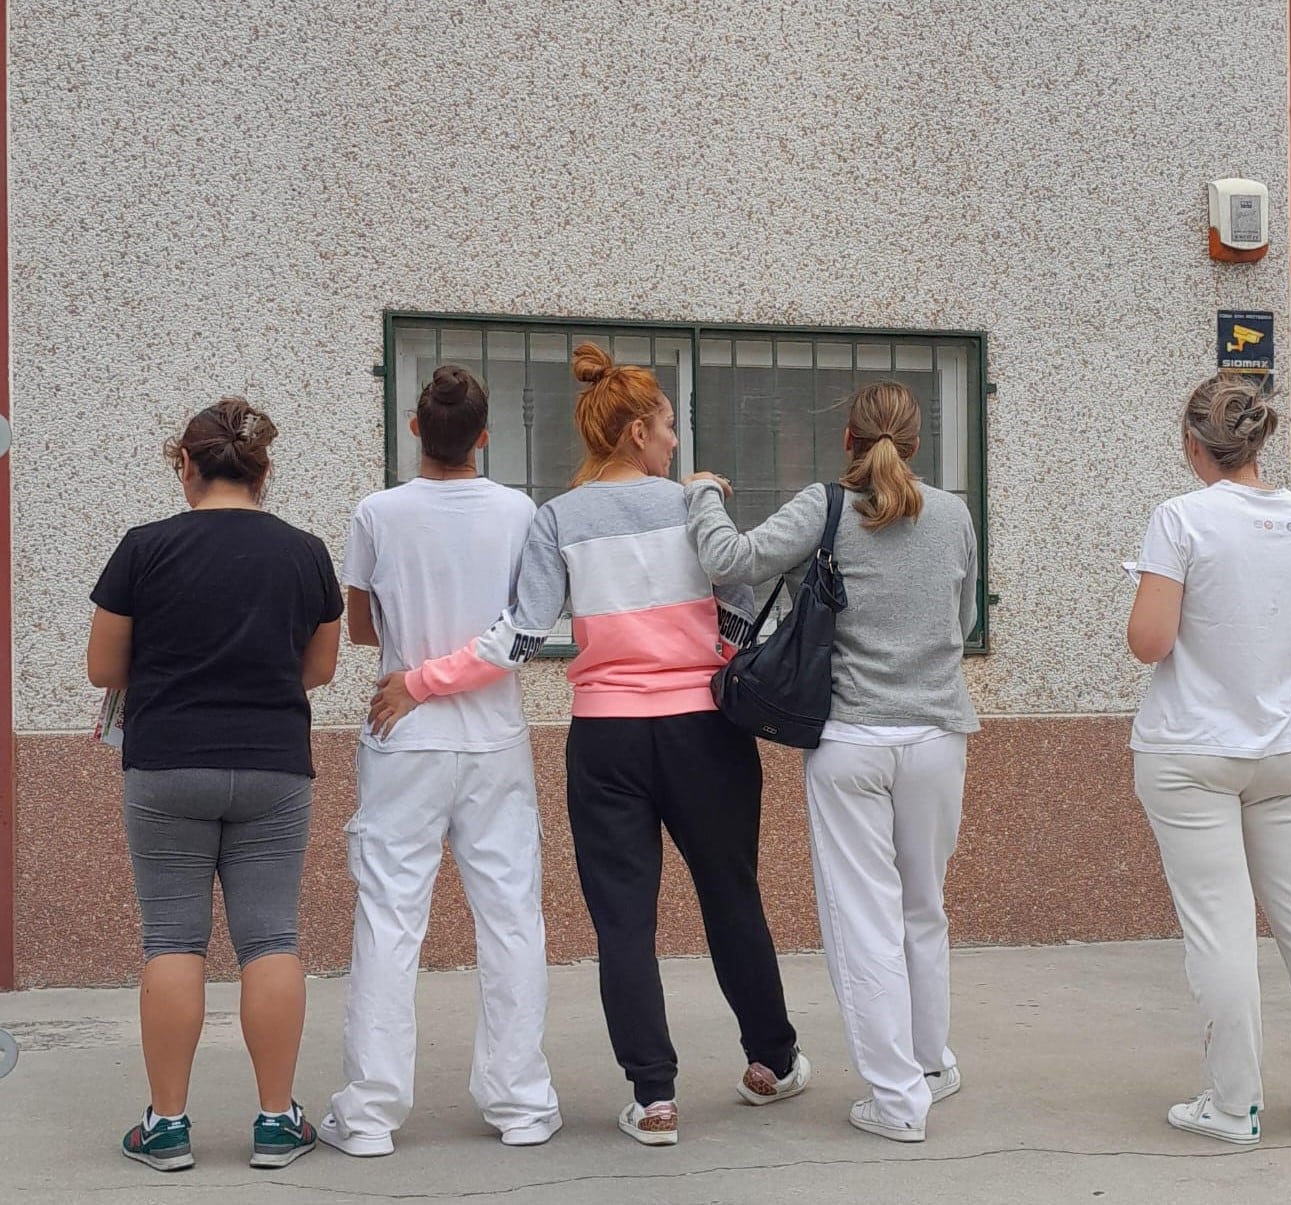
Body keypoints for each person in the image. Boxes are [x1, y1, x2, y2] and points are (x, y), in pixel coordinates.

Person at [368, 343, 809, 1146]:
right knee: (730, 892)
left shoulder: (556, 519)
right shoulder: (692, 506)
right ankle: (771, 1060)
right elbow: (746, 618)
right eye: (669, 426)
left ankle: (653, 1097)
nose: (676, 441)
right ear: (638, 430)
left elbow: (521, 637)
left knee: (622, 920)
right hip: (703, 735)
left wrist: (419, 680)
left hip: (604, 739)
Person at [682, 380, 980, 1144]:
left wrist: (703, 493)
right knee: (924, 907)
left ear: (847, 440)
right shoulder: (953, 513)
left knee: (863, 919)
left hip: (849, 739)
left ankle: (895, 1100)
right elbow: (964, 617)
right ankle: (928, 1063)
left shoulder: (827, 506)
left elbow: (727, 556)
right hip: (937, 735)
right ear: (917, 444)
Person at [87, 398, 342, 1171]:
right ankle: (274, 1121)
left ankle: (166, 1127)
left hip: (167, 764)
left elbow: (104, 668)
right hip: (271, 763)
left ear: (186, 464)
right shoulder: (305, 552)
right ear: (264, 470)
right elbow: (320, 669)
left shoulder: (144, 548)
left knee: (171, 937)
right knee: (270, 937)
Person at [1126, 374, 1291, 1146]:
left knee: (1220, 927)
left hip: (1191, 747)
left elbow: (1150, 642)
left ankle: (1232, 1106)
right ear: (1257, 438)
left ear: (1192, 444)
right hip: (1285, 744)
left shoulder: (1180, 518)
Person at [319, 365, 560, 1156]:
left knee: (390, 921)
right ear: (483, 437)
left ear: (416, 428)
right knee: (511, 918)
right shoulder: (520, 511)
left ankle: (370, 1115)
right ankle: (521, 1102)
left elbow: (361, 630)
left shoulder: (376, 513)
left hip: (404, 737)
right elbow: (523, 629)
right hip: (493, 739)